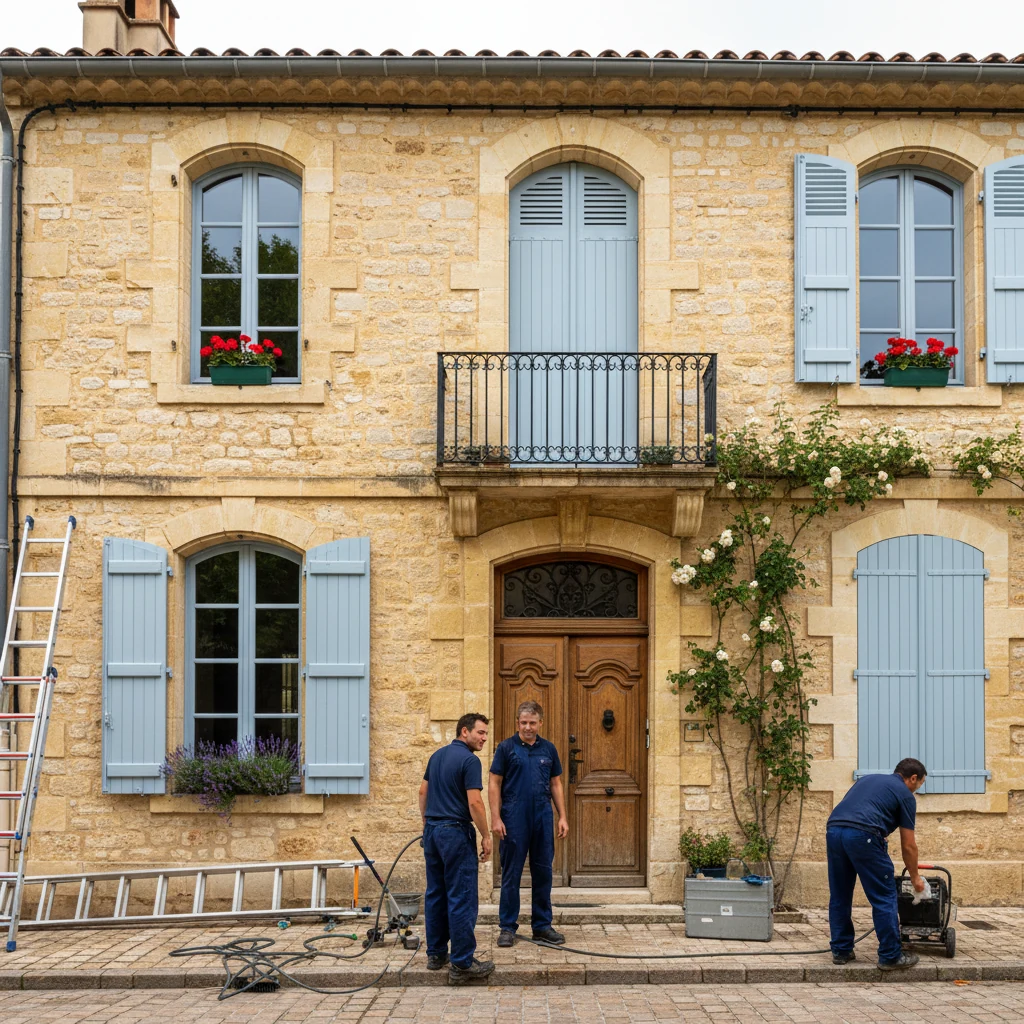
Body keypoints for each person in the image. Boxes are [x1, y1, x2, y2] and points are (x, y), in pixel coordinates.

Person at [826, 757, 928, 970]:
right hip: (863, 834)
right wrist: (915, 877)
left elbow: (857, 809)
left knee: (840, 894)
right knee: (884, 895)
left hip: (834, 830)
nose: (916, 790)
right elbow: (909, 845)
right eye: (919, 785)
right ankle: (891, 956)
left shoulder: (867, 780)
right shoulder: (905, 795)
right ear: (913, 778)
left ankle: (841, 950)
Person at [419, 712, 494, 984]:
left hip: (433, 833)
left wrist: (427, 822)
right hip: (455, 833)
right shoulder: (469, 761)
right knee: (461, 895)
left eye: (486, 733)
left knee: (436, 893)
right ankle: (462, 963)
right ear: (464, 731)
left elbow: (422, 792)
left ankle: (436, 954)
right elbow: (475, 803)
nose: (484, 738)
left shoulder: (437, 756)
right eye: (480, 733)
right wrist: (486, 835)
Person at [489, 700, 569, 947]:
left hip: (542, 816)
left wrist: (563, 816)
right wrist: (496, 817)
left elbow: (556, 784)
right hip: (514, 816)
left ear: (540, 723)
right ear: (517, 723)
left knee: (543, 872)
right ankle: (507, 927)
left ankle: (542, 926)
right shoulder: (506, 748)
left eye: (532, 723)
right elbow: (494, 783)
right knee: (511, 873)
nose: (527, 727)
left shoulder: (549, 749)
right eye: (523, 723)